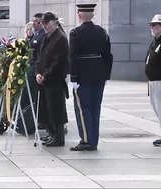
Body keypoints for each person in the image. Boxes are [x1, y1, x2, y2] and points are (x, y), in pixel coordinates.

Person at [69, 4, 113, 151]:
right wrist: (107, 75)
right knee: (95, 108)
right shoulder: (102, 32)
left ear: (79, 16)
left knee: (83, 108)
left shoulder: (75, 33)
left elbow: (73, 56)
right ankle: (93, 140)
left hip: (83, 75)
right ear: (92, 15)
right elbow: (108, 55)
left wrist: (74, 77)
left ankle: (86, 140)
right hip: (99, 74)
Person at [36, 11, 69, 147]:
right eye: (42, 23)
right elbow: (40, 58)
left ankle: (58, 137)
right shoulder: (47, 38)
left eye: (46, 23)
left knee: (56, 109)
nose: (44, 26)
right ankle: (51, 134)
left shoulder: (60, 38)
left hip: (54, 79)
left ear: (54, 22)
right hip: (45, 80)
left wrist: (46, 75)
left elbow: (58, 61)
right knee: (47, 109)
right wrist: (38, 73)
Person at [16, 13, 46, 136]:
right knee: (25, 98)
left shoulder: (42, 35)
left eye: (34, 21)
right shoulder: (36, 35)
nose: (32, 23)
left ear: (40, 22)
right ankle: (23, 123)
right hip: (31, 68)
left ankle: (28, 125)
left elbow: (39, 54)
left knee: (30, 98)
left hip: (35, 69)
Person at [145, 14, 161, 146]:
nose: (152, 27)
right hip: (153, 81)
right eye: (151, 25)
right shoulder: (155, 40)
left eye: (155, 25)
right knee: (157, 108)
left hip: (159, 80)